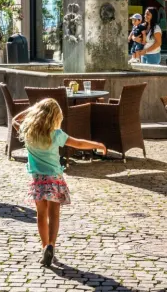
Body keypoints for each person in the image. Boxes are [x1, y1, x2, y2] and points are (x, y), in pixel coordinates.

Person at [13, 97, 106, 267]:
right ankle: (51, 246)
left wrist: (33, 108)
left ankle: (44, 247)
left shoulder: (28, 131)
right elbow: (77, 143)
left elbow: (15, 120)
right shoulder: (56, 135)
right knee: (54, 214)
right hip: (55, 179)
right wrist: (97, 144)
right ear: (56, 117)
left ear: (37, 114)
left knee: (41, 215)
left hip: (38, 180)